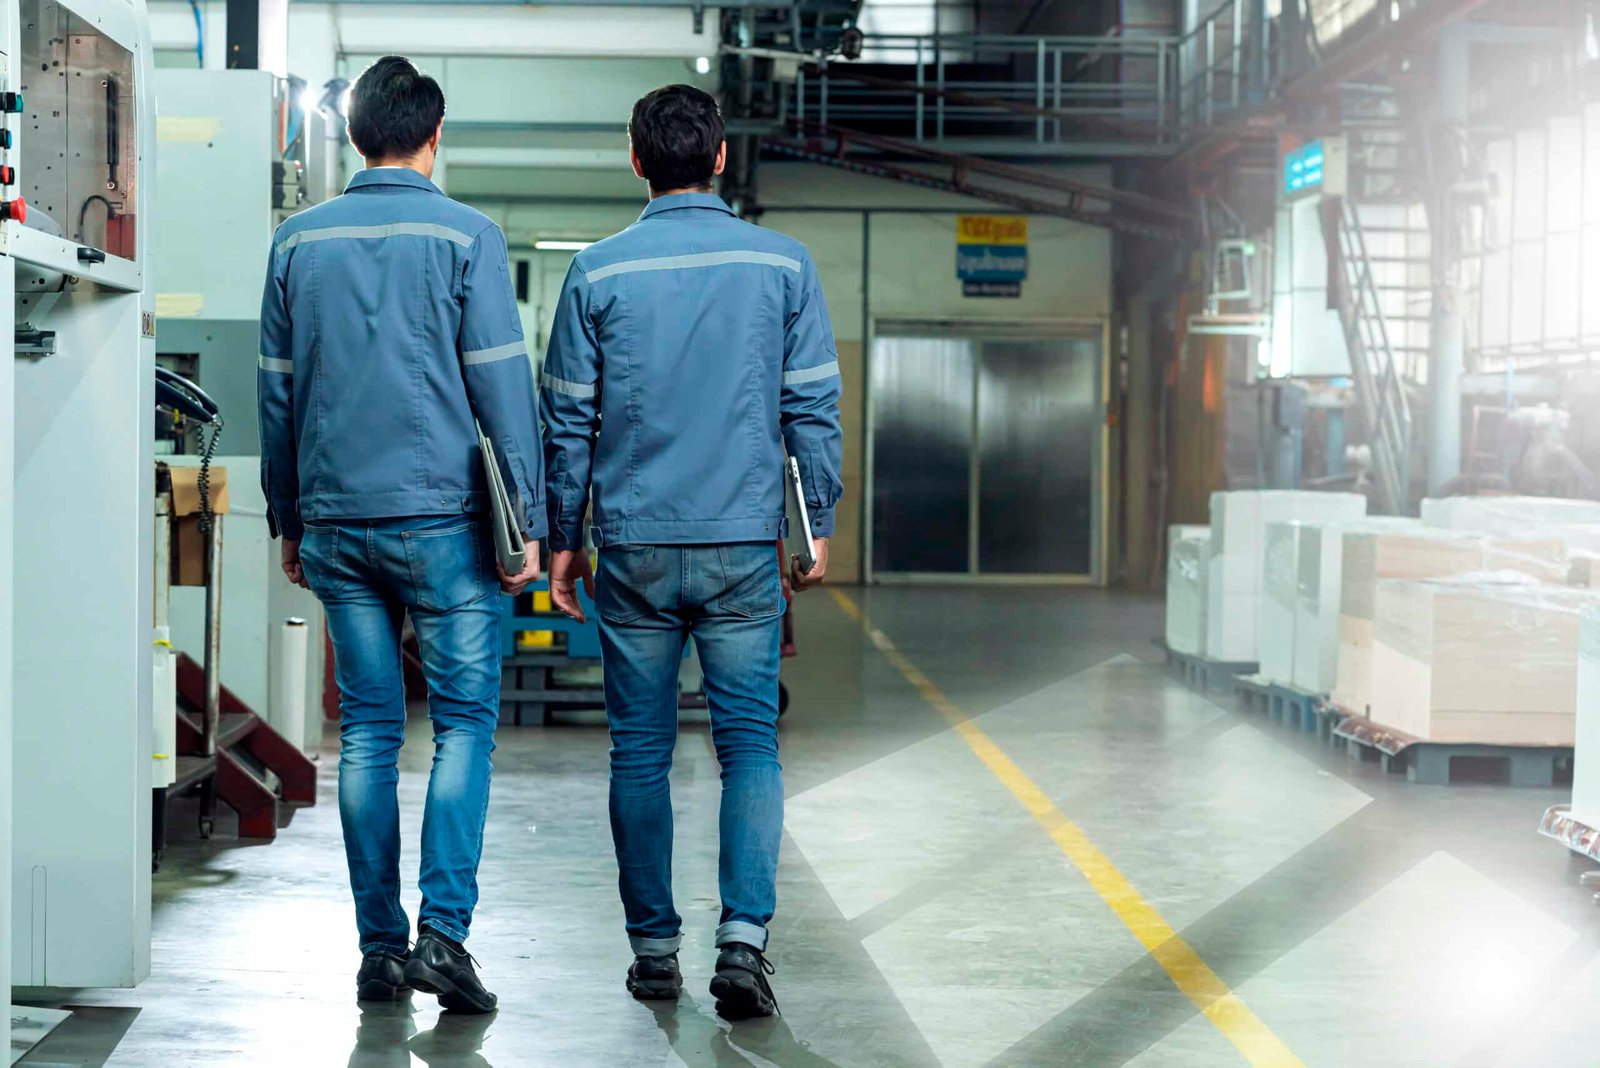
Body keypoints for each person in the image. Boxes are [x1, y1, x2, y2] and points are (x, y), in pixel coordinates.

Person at [540, 83, 843, 1018]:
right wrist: (814, 519)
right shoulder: (784, 266)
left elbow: (567, 425)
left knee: (640, 752)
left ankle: (655, 952)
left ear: (636, 162)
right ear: (719, 158)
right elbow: (811, 411)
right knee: (749, 748)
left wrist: (563, 542)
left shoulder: (596, 272)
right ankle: (744, 946)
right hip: (743, 544)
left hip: (631, 546)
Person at [257, 54, 543, 1014]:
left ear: (350, 134)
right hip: (445, 527)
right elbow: (505, 387)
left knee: (371, 734)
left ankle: (380, 951)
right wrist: (529, 528)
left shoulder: (297, 242)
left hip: (337, 520)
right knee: (462, 726)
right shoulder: (467, 236)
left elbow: (278, 396)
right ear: (435, 135)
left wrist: (288, 517)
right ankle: (443, 942)